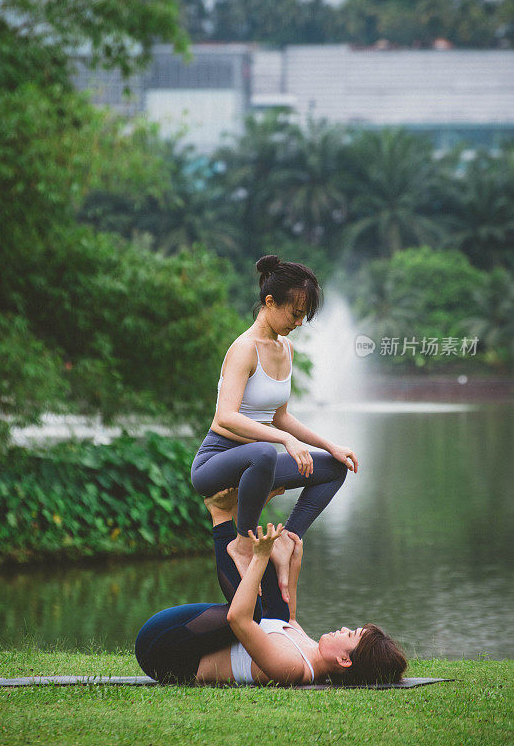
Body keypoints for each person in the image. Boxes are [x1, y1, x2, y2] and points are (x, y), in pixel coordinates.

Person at [191, 254, 359, 602]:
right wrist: (285, 440)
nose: (298, 323)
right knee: (265, 452)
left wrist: (330, 446)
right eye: (295, 314)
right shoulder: (243, 349)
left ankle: (288, 540)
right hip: (215, 461)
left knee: (333, 468)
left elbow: (281, 416)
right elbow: (225, 417)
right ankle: (242, 542)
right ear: (270, 302)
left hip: (259, 459)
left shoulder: (286, 349)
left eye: (304, 317)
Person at [135, 489, 407, 687]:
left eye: (351, 635)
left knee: (252, 614)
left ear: (345, 661)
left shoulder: (292, 669)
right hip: (184, 638)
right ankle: (248, 505)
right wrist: (293, 563)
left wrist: (261, 556)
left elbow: (238, 619)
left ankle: (221, 516)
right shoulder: (311, 653)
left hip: (163, 651)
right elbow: (288, 618)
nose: (344, 628)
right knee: (276, 613)